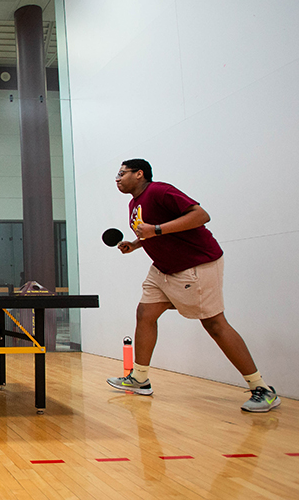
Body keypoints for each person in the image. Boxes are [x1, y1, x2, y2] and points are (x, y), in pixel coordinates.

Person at [107, 159, 279, 412]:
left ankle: (262, 389)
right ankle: (140, 379)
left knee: (214, 324)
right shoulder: (134, 203)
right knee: (145, 313)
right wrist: (136, 243)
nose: (117, 178)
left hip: (197, 264)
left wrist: (156, 230)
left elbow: (200, 216)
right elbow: (152, 232)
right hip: (163, 269)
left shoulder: (160, 191)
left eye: (122, 173)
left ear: (139, 174)